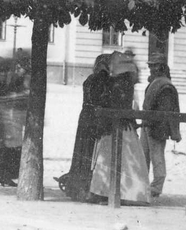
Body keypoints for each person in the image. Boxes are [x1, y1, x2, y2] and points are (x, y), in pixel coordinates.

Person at [89, 52, 149, 205]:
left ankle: (105, 192)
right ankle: (131, 194)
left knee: (110, 158)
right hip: (125, 125)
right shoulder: (128, 84)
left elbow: (112, 102)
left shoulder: (115, 83)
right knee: (128, 159)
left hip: (115, 124)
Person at [57, 54, 114, 201]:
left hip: (85, 116)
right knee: (91, 152)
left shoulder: (90, 79)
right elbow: (101, 100)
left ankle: (76, 187)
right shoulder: (104, 79)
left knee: (82, 151)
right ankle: (86, 188)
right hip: (95, 117)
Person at [142, 61, 182, 201]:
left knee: (156, 156)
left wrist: (173, 130)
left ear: (161, 69)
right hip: (148, 124)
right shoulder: (157, 83)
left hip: (156, 126)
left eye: (154, 66)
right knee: (145, 155)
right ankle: (144, 184)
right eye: (150, 66)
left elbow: (167, 110)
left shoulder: (165, 85)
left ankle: (156, 187)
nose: (151, 69)